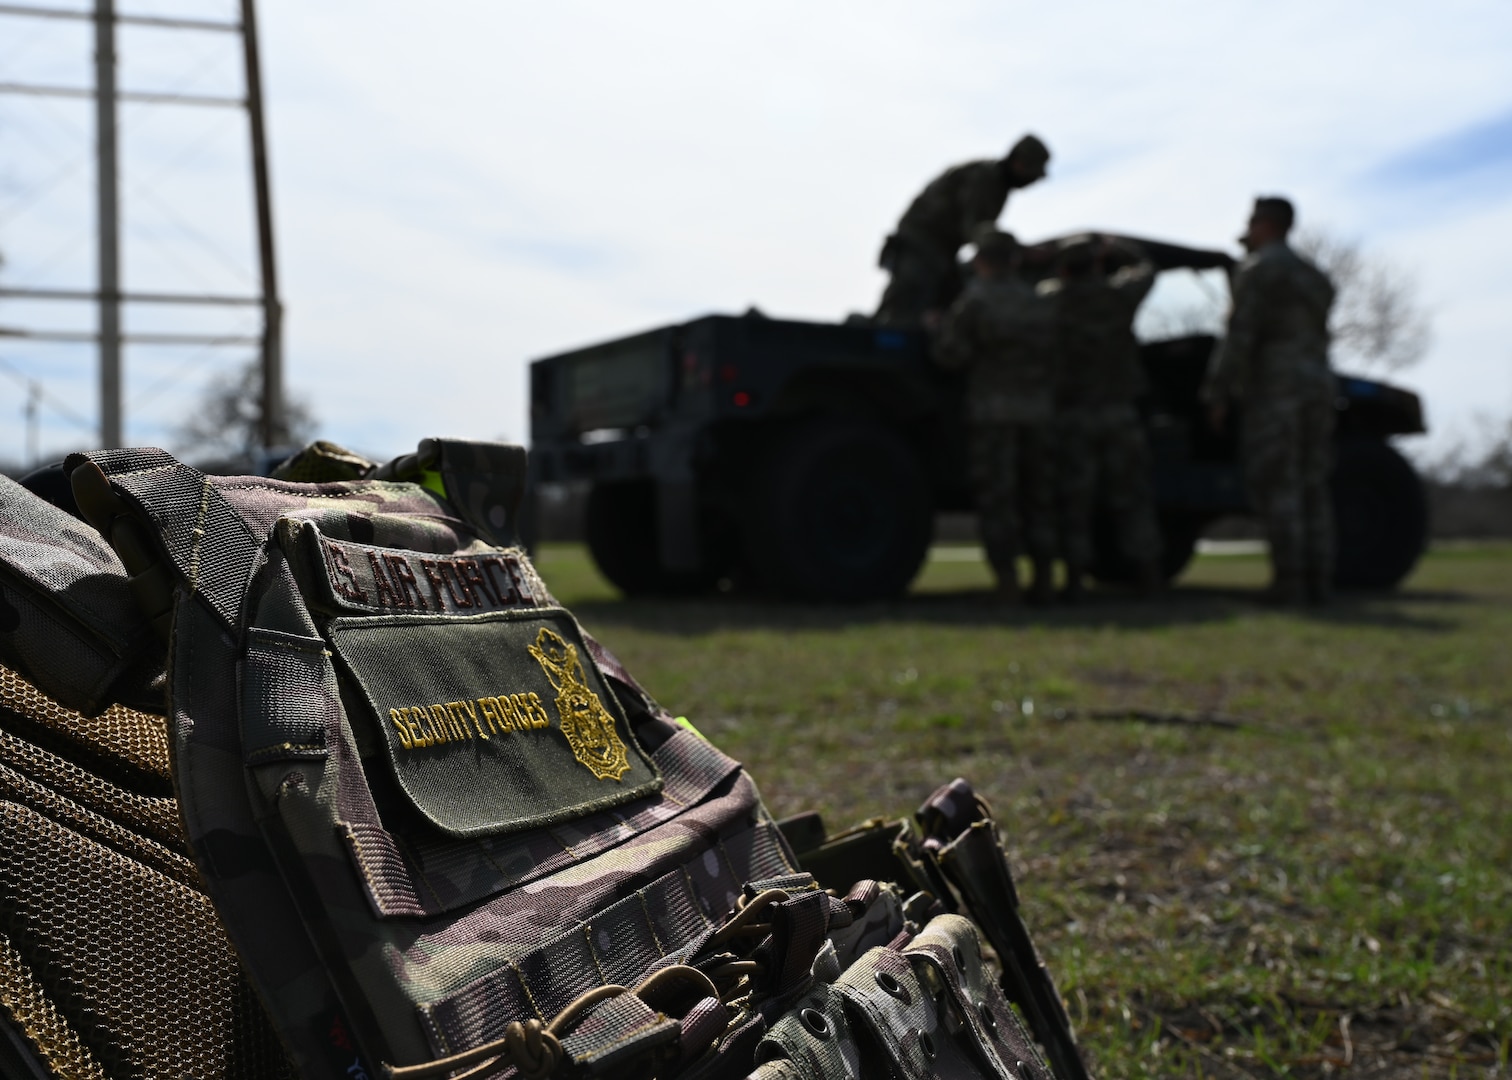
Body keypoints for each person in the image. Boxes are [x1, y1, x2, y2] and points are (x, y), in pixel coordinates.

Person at [1202, 196, 1337, 604]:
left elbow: (1241, 336)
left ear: (1265, 224)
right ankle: (1319, 580)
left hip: (1276, 389)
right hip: (1318, 388)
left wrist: (1217, 391)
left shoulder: (1259, 271)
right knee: (1312, 483)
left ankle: (1290, 582)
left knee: (1278, 483)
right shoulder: (1316, 277)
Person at [934, 228, 1058, 603]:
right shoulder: (1039, 302)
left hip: (993, 414)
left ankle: (1007, 582)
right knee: (1038, 497)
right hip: (1039, 413)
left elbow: (949, 355)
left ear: (982, 261)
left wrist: (936, 330)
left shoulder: (976, 301)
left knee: (999, 500)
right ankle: (1044, 579)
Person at [1041, 236, 1163, 600]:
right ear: (1096, 265)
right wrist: (1120, 250)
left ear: (1062, 269)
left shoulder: (1052, 299)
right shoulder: (1118, 296)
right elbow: (1147, 270)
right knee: (1133, 498)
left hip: (1073, 413)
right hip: (1119, 412)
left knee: (1075, 500)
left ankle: (1075, 580)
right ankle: (1150, 576)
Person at [875, 135, 1051, 328]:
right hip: (922, 241)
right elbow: (975, 230)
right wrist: (1019, 250)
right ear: (1019, 163)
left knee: (952, 298)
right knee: (908, 301)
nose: (1032, 181)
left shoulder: (996, 183)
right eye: (1032, 173)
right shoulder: (986, 178)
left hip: (942, 248)